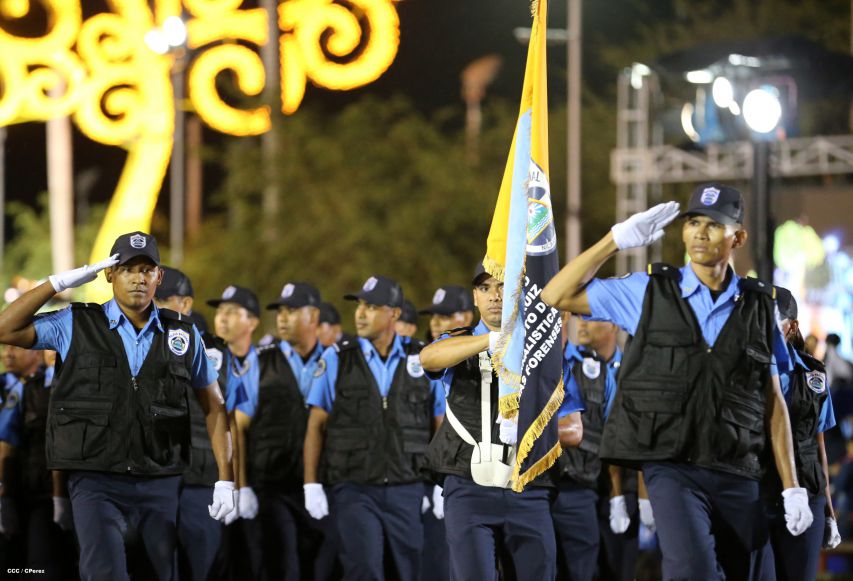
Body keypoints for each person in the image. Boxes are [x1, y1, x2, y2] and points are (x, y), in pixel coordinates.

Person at [541, 184, 811, 580]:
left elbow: (773, 403)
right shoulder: (649, 292)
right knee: (691, 570)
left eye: (714, 225)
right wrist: (615, 241)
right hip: (672, 467)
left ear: (738, 237)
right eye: (693, 222)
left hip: (737, 467)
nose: (700, 233)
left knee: (754, 573)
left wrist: (792, 486)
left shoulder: (759, 308)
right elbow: (555, 294)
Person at [0, 231, 236, 580]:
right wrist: (56, 283)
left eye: (147, 270)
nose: (138, 278)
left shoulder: (183, 335)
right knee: (104, 572)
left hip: (159, 479)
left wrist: (226, 481)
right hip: (95, 480)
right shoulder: (76, 322)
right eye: (127, 269)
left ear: (159, 277)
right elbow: (5, 329)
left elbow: (215, 406)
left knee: (159, 574)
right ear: (109, 274)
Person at [420, 264, 583, 581]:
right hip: (469, 486)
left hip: (528, 488)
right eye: (485, 288)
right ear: (475, 297)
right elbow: (429, 358)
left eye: (503, 287)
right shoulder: (459, 342)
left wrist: (526, 431)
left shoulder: (543, 352)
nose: (494, 296)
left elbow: (574, 430)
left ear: (519, 294)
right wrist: (492, 340)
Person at [304, 275, 446, 580]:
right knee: (363, 567)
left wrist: (440, 481)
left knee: (407, 570)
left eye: (371, 307)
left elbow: (440, 421)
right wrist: (311, 483)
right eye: (359, 306)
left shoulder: (423, 358)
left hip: (407, 486)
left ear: (394, 313)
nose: (360, 313)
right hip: (354, 487)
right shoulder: (337, 358)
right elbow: (316, 423)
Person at [252, 282, 338, 580]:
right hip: (273, 484)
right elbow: (240, 423)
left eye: (291, 311)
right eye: (280, 312)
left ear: (313, 315)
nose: (282, 318)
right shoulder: (259, 360)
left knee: (322, 568)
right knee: (283, 566)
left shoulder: (337, 360)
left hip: (326, 483)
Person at [756, 287, 841, 580]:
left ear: (792, 326)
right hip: (756, 493)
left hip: (807, 493)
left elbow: (818, 446)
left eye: (772, 322)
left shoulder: (813, 375)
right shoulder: (743, 371)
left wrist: (829, 512)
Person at [552, 317, 643, 581]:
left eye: (590, 318)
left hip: (591, 487)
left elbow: (620, 436)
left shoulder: (604, 369)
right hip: (546, 488)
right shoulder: (523, 363)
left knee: (598, 568)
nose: (582, 324)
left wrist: (622, 496)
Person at [153, 267, 227, 581]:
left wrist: (230, 481)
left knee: (201, 567)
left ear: (185, 304)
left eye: (162, 299)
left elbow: (226, 419)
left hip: (199, 479)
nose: (154, 305)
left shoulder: (211, 349)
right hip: (154, 478)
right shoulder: (136, 342)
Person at [0, 345, 75, 579]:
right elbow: (8, 443)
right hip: (39, 494)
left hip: (84, 491)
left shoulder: (88, 385)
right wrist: (6, 496)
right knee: (39, 563)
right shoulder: (27, 389)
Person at [206, 285, 262, 576]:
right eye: (219, 311)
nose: (222, 318)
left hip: (263, 478)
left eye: (231, 311)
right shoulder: (210, 359)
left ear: (252, 322)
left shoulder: (264, 363)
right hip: (221, 476)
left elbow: (240, 422)